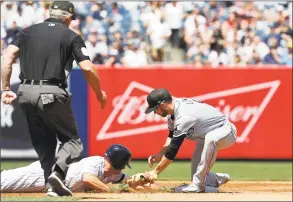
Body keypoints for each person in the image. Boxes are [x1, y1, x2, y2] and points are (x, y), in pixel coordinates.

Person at [1, 1, 107, 197]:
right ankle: (58, 174)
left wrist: (5, 88)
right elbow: (87, 68)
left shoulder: (26, 32)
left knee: (44, 143)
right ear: (67, 18)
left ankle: (51, 185)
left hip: (24, 93)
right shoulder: (71, 35)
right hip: (51, 91)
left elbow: (7, 58)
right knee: (72, 141)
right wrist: (99, 93)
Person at [144, 88, 237, 193]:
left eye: (155, 108)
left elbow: (173, 151)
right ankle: (214, 179)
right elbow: (171, 136)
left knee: (211, 140)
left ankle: (198, 185)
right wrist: (161, 154)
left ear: (164, 104)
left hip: (226, 132)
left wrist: (156, 171)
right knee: (196, 176)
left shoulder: (184, 116)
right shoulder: (173, 112)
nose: (155, 112)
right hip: (206, 135)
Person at [1, 144, 136, 196]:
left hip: (53, 183)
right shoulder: (96, 162)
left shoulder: (114, 174)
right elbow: (88, 178)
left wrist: (147, 179)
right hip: (46, 174)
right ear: (118, 163)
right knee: (5, 182)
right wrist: (113, 190)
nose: (124, 168)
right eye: (124, 164)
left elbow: (130, 181)